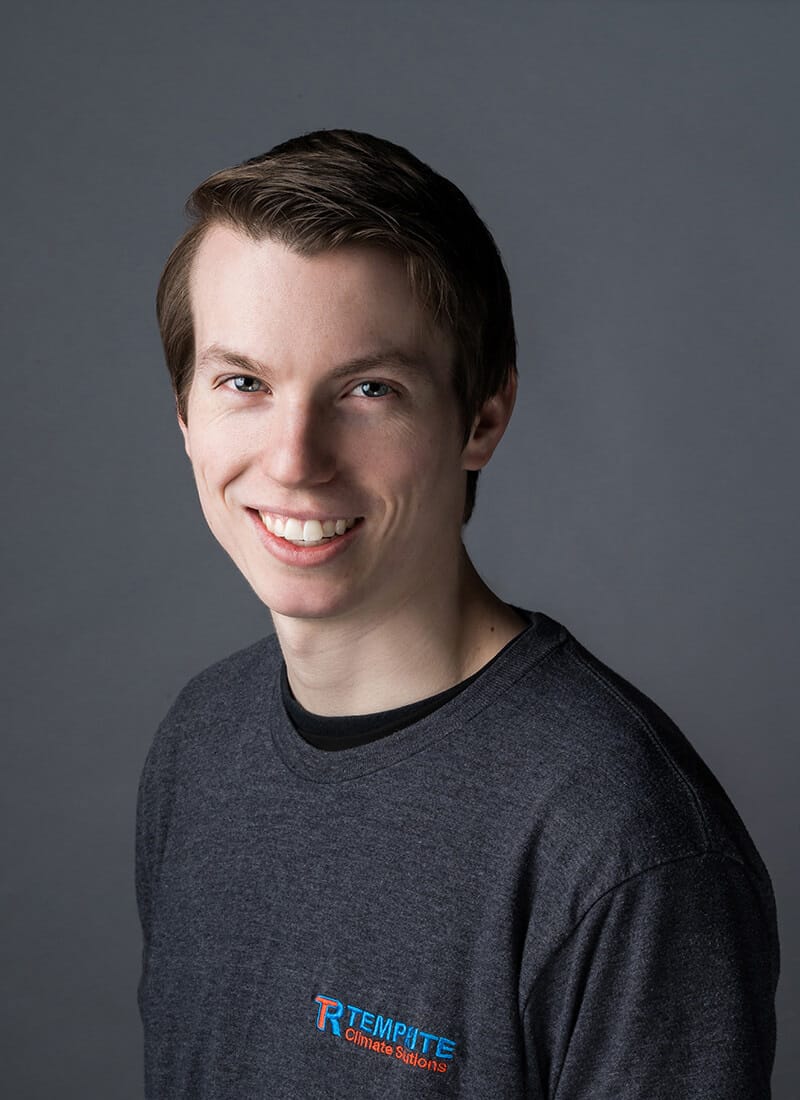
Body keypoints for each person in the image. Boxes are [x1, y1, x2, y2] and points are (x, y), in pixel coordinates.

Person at [136, 129, 779, 1099]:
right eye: (244, 383)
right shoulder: (200, 741)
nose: (294, 457)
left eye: (366, 389)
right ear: (186, 415)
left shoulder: (621, 840)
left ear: (480, 417)